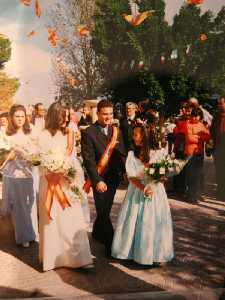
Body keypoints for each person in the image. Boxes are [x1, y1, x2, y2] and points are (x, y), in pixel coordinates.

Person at [38, 102, 93, 271]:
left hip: (66, 181)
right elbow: (41, 158)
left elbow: (71, 155)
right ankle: (54, 258)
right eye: (64, 116)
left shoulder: (69, 132)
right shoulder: (44, 135)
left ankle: (78, 258)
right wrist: (52, 169)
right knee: (53, 218)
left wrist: (66, 168)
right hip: (50, 182)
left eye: (68, 116)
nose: (67, 119)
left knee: (71, 217)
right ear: (55, 115)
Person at [111, 124, 174, 265]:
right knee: (135, 219)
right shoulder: (132, 154)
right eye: (133, 135)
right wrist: (143, 188)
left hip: (156, 192)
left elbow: (163, 174)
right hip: (138, 191)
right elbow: (131, 177)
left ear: (144, 136)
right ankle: (134, 253)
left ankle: (157, 254)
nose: (134, 138)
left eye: (136, 134)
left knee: (154, 221)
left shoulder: (157, 153)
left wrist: (160, 179)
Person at [81, 99, 126, 257]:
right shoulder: (88, 132)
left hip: (112, 178)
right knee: (102, 209)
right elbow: (88, 160)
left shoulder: (116, 131)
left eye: (110, 114)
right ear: (98, 113)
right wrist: (96, 180)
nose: (108, 117)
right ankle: (110, 245)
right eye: (105, 114)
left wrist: (127, 172)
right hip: (99, 177)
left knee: (105, 209)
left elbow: (122, 154)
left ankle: (97, 233)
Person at [1, 104, 39, 248]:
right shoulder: (5, 133)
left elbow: (37, 150)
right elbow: (2, 153)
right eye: (17, 116)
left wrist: (32, 156)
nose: (20, 119)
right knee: (19, 205)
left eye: (22, 116)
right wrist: (8, 155)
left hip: (29, 172)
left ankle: (30, 231)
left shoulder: (32, 131)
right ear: (11, 117)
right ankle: (23, 236)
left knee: (29, 204)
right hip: (13, 174)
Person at [184, 108, 210, 203]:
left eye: (197, 116)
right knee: (190, 174)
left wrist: (197, 136)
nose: (195, 117)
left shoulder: (201, 124)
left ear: (200, 116)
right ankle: (190, 195)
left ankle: (194, 195)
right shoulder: (187, 123)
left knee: (197, 175)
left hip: (199, 152)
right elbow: (189, 138)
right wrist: (200, 137)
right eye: (193, 115)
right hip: (190, 152)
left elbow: (208, 136)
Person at [210, 96, 225, 201]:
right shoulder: (216, 116)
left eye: (221, 103)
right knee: (219, 170)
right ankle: (220, 191)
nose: (219, 105)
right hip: (218, 148)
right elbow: (212, 131)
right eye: (218, 104)